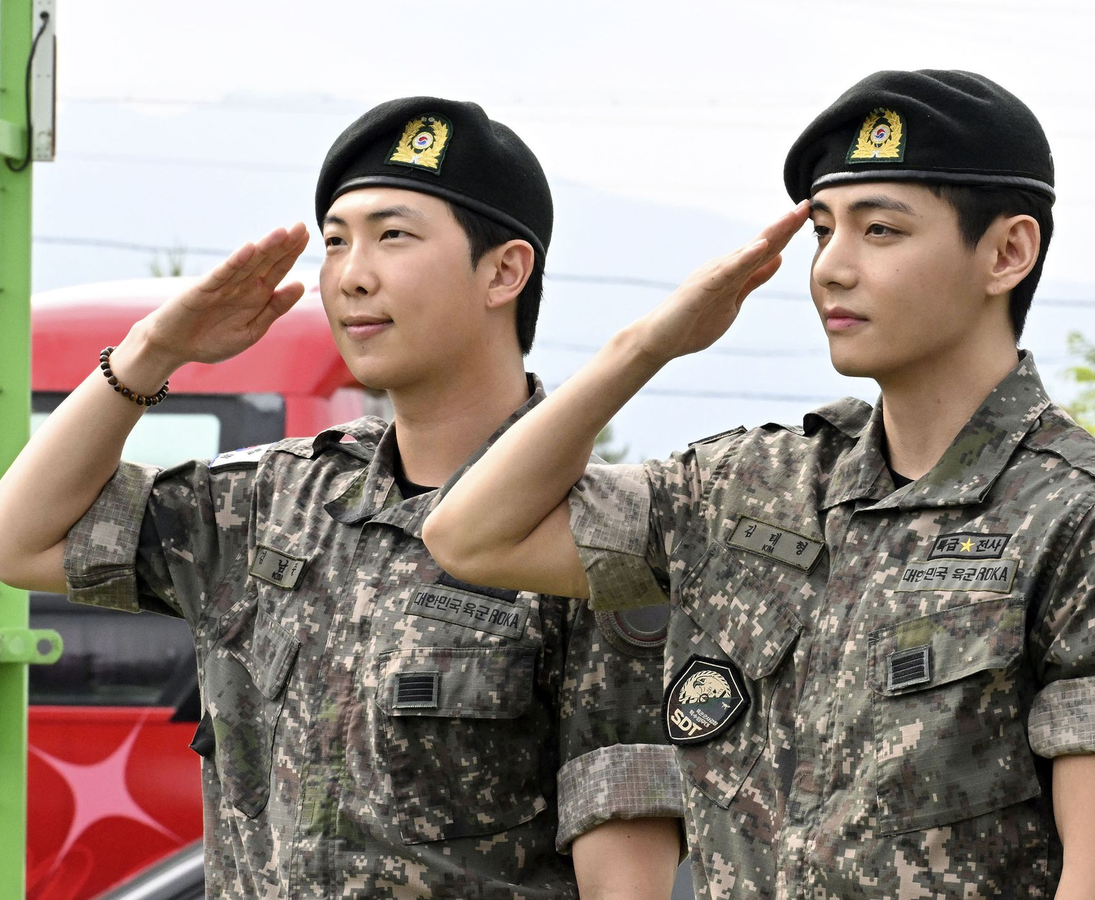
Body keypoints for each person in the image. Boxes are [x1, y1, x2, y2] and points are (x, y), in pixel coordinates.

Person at [423, 70, 1095, 899]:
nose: (831, 268)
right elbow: (470, 534)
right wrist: (648, 346)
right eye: (824, 232)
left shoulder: (1086, 524)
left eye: (881, 230)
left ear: (1007, 252)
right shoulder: (751, 489)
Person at [0, 97, 684, 899]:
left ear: (504, 271)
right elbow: (20, 540)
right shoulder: (273, 506)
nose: (351, 275)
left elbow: (624, 880)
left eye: (392, 236)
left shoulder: (588, 542)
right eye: (334, 242)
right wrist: (154, 350)